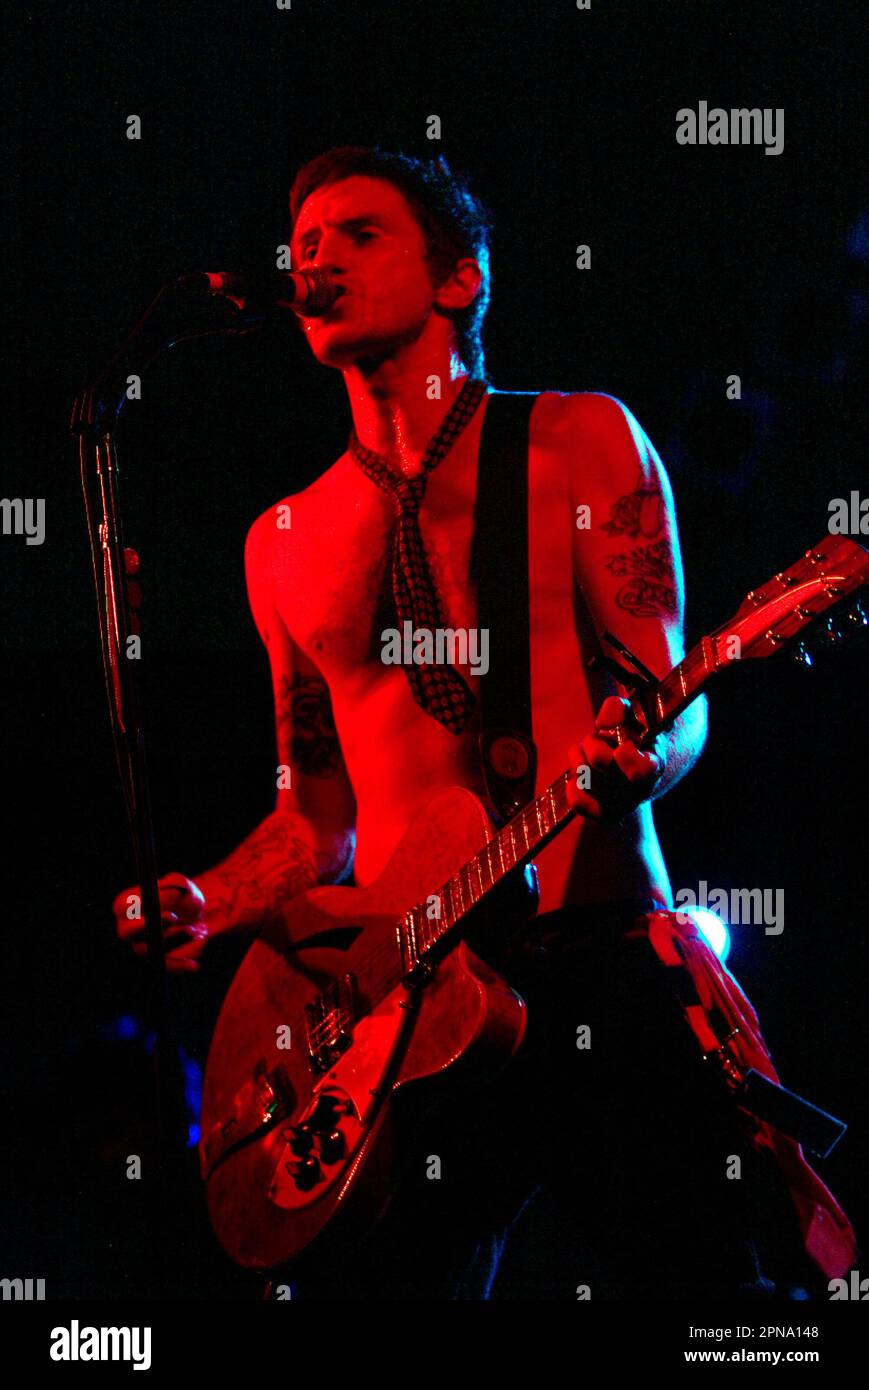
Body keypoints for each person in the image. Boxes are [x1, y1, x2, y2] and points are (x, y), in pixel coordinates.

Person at [114, 146, 854, 1299]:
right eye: (303, 243)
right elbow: (313, 822)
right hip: (396, 1017)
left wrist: (640, 756)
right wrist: (208, 898)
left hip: (595, 949)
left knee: (711, 1299)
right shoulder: (281, 543)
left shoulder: (576, 440)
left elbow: (669, 697)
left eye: (358, 235)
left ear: (459, 278)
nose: (315, 262)